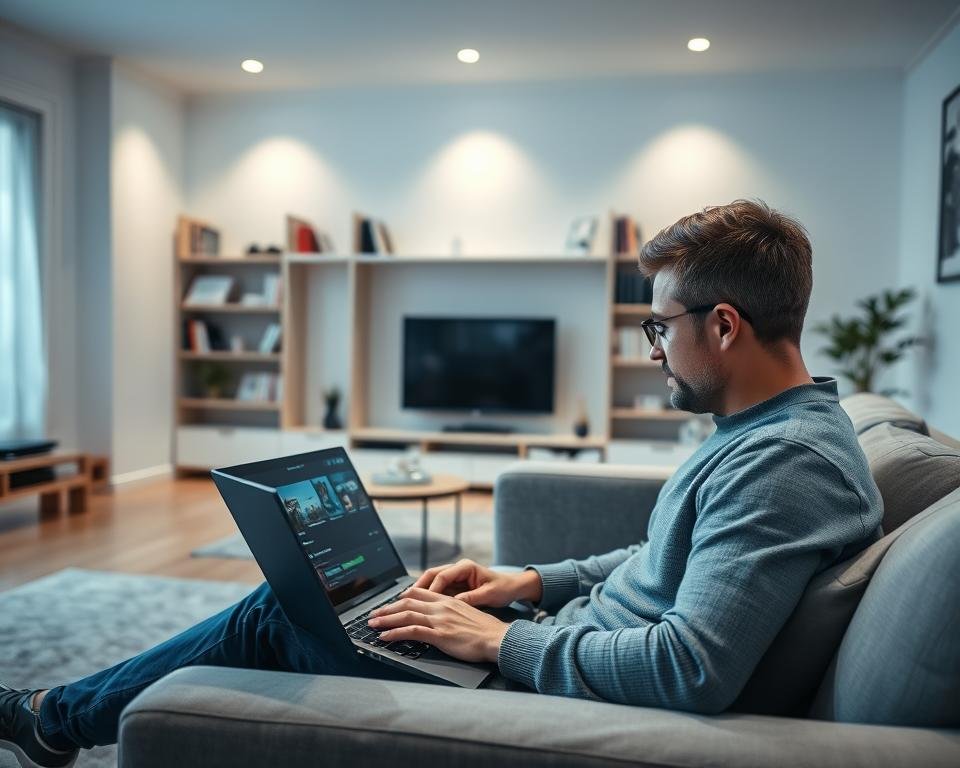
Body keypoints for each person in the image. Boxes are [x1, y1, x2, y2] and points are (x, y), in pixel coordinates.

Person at [1, 200, 882, 768]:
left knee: (285, 610)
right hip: (553, 640)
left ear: (723, 325)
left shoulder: (784, 464)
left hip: (545, 689)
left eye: (659, 328)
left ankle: (55, 720)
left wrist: (495, 643)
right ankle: (60, 717)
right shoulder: (767, 435)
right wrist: (525, 583)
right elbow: (666, 557)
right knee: (340, 596)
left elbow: (690, 669)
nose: (652, 351)